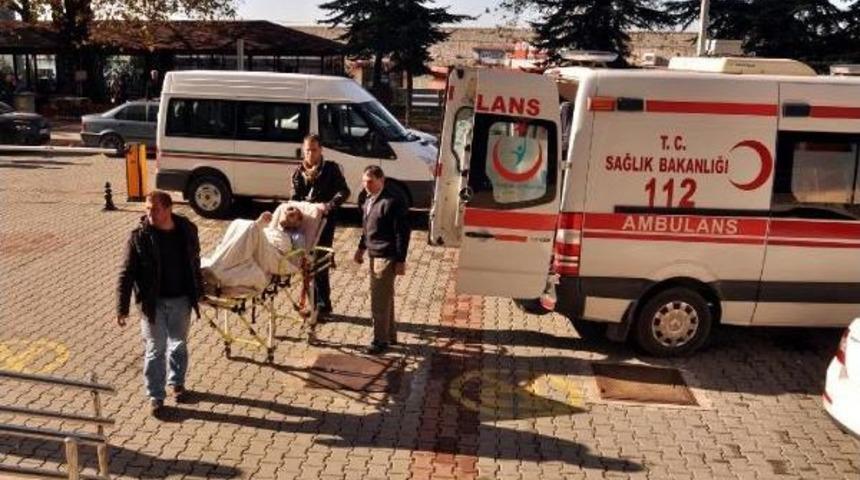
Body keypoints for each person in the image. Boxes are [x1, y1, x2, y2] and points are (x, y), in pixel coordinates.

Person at [116, 190, 202, 416]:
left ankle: (177, 383)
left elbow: (195, 261)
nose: (149, 213)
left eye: (154, 209)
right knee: (155, 350)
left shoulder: (187, 230)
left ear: (168, 209)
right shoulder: (139, 236)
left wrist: (198, 292)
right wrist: (122, 307)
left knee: (179, 344)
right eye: (147, 208)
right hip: (152, 304)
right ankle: (156, 396)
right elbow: (126, 272)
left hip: (181, 300)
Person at [353, 165, 411, 354]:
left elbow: (402, 232)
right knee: (386, 299)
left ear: (381, 180)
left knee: (379, 301)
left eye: (370, 181)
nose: (366, 185)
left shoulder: (392, 201)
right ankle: (390, 336)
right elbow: (367, 226)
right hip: (373, 254)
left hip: (386, 256)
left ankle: (380, 341)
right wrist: (361, 249)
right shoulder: (368, 199)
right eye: (364, 181)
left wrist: (401, 260)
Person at [290, 134, 350, 318]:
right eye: (307, 150)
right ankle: (313, 303)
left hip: (324, 224)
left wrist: (330, 205)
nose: (310, 154)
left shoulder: (331, 169)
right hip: (304, 224)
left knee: (320, 263)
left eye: (314, 150)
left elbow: (344, 191)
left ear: (321, 150)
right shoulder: (298, 172)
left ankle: (323, 305)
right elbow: (294, 198)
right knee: (305, 265)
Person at [201, 206, 305, 295]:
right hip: (255, 252)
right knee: (238, 223)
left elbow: (298, 258)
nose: (291, 212)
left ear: (298, 223)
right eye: (290, 209)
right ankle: (217, 272)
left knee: (249, 226)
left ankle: (214, 268)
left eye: (296, 214)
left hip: (274, 256)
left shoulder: (297, 236)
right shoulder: (270, 227)